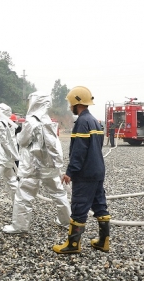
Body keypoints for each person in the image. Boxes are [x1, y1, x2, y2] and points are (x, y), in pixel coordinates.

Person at [2, 91, 71, 234]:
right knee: (59, 193)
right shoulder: (49, 121)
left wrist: (19, 133)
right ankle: (66, 221)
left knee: (24, 195)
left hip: (32, 167)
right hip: (49, 166)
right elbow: (54, 145)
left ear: (34, 102)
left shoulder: (31, 121)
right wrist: (58, 166)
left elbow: (22, 141)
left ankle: (19, 226)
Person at [53, 86, 111, 254]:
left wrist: (70, 172)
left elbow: (79, 150)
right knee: (100, 204)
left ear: (76, 102)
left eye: (70, 103)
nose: (69, 106)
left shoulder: (82, 123)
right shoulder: (94, 121)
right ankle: (103, 242)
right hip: (98, 170)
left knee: (79, 206)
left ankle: (73, 244)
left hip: (85, 174)